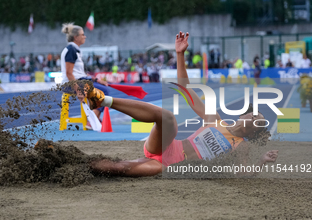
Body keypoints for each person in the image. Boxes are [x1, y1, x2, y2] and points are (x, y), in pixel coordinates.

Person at [62, 31, 278, 177]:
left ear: (254, 132)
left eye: (259, 123)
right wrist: (179, 54)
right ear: (243, 116)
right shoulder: (215, 119)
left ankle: (69, 167)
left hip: (167, 165)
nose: (254, 119)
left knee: (119, 167)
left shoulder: (242, 145)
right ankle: (102, 100)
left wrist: (261, 160)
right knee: (167, 117)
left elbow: (242, 173)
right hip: (166, 145)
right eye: (255, 116)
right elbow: (186, 88)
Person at [60, 23, 109, 120]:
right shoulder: (71, 50)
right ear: (76, 37)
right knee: (104, 91)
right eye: (82, 34)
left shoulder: (75, 50)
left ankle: (93, 117)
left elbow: (80, 73)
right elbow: (69, 73)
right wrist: (78, 91)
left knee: (102, 88)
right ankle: (93, 119)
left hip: (79, 81)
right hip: (70, 84)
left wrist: (97, 80)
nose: (85, 36)